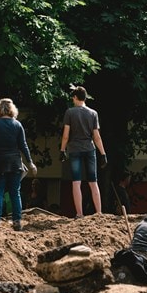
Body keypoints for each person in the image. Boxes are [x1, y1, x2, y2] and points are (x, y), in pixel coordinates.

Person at [0, 98, 37, 231]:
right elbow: (23, 145)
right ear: (12, 110)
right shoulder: (17, 125)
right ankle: (17, 221)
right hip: (15, 163)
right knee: (15, 192)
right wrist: (30, 162)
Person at [59, 86, 108, 218]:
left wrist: (62, 150)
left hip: (74, 149)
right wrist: (103, 154)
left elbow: (65, 135)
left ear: (75, 97)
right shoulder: (93, 113)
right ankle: (99, 213)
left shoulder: (70, 112)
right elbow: (96, 136)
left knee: (76, 181)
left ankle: (79, 213)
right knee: (93, 181)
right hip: (89, 149)